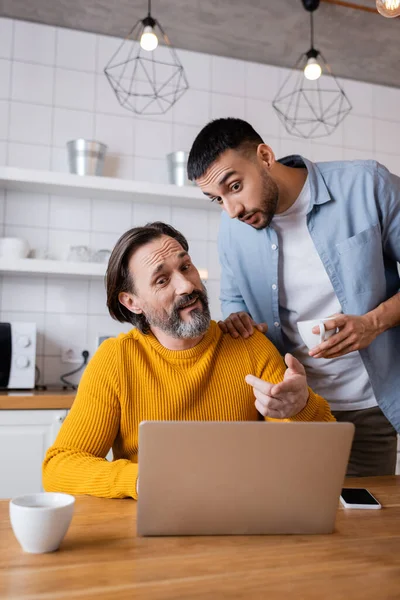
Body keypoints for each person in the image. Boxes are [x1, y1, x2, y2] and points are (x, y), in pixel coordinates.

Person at [43, 222, 334, 500]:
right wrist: (142, 480)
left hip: (242, 515)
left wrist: (302, 407)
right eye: (162, 280)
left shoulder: (250, 346)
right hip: (150, 517)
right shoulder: (116, 359)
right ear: (133, 302)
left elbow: (322, 457)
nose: (186, 286)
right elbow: (60, 466)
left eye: (186, 267)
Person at [187, 117, 400, 477]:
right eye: (217, 200)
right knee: (294, 527)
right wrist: (239, 318)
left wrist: (372, 323)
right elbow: (234, 300)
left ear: (265, 156)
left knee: (363, 526)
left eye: (235, 186)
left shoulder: (367, 185)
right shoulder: (232, 230)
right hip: (288, 414)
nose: (232, 210)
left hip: (370, 408)